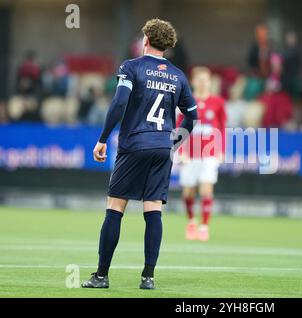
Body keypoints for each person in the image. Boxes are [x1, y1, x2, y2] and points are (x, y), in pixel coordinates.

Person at [81, 18, 198, 289]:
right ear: (167, 46)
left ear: (146, 39)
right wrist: (173, 144)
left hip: (134, 144)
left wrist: (102, 139)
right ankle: (148, 278)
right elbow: (192, 117)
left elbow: (120, 102)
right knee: (153, 209)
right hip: (162, 147)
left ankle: (101, 276)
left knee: (115, 207)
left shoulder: (131, 67)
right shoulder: (178, 76)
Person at [177, 67, 226, 241]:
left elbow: (221, 127)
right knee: (188, 192)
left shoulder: (218, 102)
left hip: (209, 154)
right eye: (200, 79)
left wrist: (221, 149)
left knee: (206, 190)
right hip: (190, 154)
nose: (204, 82)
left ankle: (204, 226)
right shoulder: (186, 101)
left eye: (207, 79)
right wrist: (180, 149)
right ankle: (191, 221)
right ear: (194, 81)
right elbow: (179, 126)